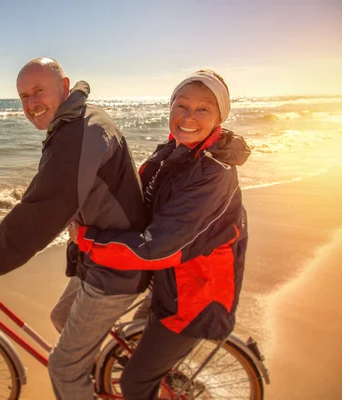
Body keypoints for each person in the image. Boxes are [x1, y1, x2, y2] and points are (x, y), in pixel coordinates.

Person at [0, 57, 152, 399]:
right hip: (103, 252)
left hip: (116, 265)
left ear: (64, 85)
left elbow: (43, 212)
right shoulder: (75, 121)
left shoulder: (78, 133)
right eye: (24, 97)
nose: (31, 104)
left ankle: (92, 379)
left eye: (38, 91)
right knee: (62, 316)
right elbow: (49, 190)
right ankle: (106, 372)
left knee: (62, 367)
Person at [68, 69, 251, 399]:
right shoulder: (174, 152)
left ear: (219, 117)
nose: (188, 117)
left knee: (134, 382)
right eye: (181, 105)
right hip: (170, 284)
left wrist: (88, 239)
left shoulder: (213, 173)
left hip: (196, 297)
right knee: (130, 347)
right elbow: (141, 205)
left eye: (202, 109)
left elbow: (157, 248)